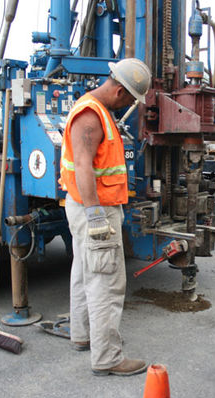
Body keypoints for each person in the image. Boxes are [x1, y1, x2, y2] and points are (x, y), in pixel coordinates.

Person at [59, 58, 151, 375]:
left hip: (84, 207)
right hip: (94, 209)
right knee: (106, 282)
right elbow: (84, 166)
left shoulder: (95, 111)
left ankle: (83, 337)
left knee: (85, 272)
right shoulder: (91, 116)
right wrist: (97, 213)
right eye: (130, 98)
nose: (128, 104)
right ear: (120, 90)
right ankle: (108, 358)